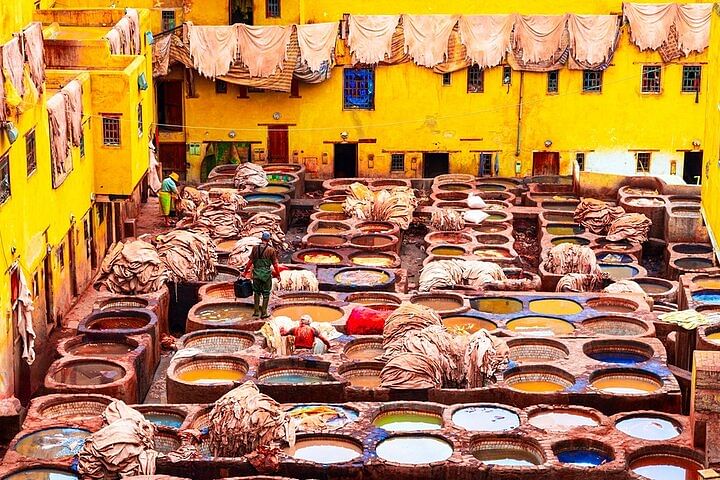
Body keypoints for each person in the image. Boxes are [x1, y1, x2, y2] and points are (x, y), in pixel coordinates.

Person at [244, 232, 280, 318]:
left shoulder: (255, 248)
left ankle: (256, 312)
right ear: (269, 240)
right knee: (266, 293)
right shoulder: (271, 250)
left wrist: (245, 272)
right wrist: (278, 274)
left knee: (256, 292)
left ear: (261, 239)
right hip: (266, 275)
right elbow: (275, 264)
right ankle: (264, 313)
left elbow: (250, 262)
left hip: (256, 274)